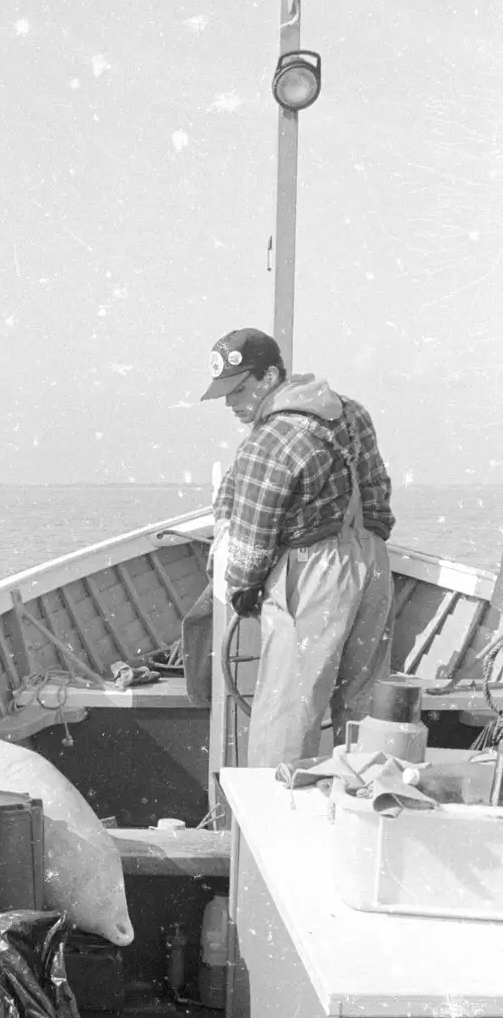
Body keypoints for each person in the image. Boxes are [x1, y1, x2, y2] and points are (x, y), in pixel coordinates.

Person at [201, 327, 395, 766]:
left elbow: (251, 542)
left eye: (239, 390)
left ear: (270, 378)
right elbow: (377, 495)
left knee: (287, 713)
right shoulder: (352, 412)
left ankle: (275, 820)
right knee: (367, 702)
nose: (231, 402)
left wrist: (243, 590)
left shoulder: (268, 441)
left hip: (313, 571)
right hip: (372, 562)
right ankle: (364, 803)